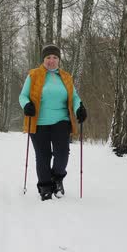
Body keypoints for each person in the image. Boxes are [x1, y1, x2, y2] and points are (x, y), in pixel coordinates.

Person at [19, 44, 87, 201]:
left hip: (61, 121)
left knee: (62, 153)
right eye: (48, 57)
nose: (51, 60)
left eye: (55, 57)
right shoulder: (33, 75)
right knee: (43, 156)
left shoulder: (66, 77)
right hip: (38, 122)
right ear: (43, 59)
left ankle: (57, 179)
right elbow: (23, 96)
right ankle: (44, 186)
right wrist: (27, 105)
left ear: (59, 60)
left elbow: (74, 97)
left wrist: (79, 108)